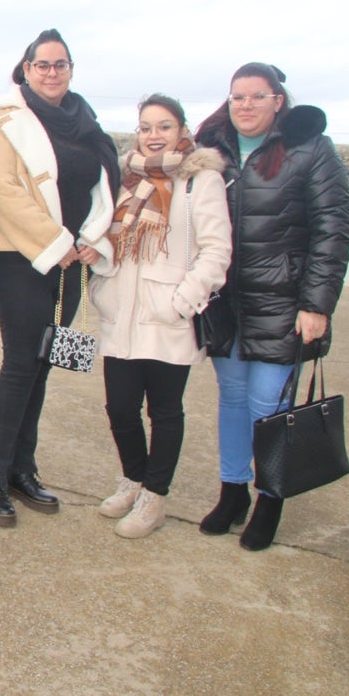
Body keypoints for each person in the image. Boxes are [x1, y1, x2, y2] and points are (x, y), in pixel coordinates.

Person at [193, 63, 349, 550]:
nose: (245, 105)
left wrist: (317, 304)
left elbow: (333, 229)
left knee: (269, 405)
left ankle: (269, 498)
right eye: (237, 96)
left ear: (277, 100)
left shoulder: (311, 150)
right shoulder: (213, 151)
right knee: (233, 400)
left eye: (256, 96)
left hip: (283, 303)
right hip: (227, 303)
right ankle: (232, 490)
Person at [0, 28, 120, 528]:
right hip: (19, 254)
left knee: (45, 361)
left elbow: (104, 187)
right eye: (42, 65)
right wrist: (55, 245)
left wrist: (91, 239)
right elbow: (2, 193)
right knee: (21, 361)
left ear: (71, 69)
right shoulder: (1, 122)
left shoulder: (86, 121)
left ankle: (22, 468)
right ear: (26, 70)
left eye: (60, 64)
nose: (51, 72)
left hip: (73, 259)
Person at [89, 95, 231, 538]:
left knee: (165, 411)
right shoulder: (125, 177)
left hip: (168, 314)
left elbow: (216, 249)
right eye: (146, 127)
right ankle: (133, 478)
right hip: (122, 312)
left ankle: (155, 496)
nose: (154, 136)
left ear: (182, 130)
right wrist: (101, 282)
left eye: (164, 126)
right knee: (121, 408)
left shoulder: (199, 179)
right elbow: (103, 234)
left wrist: (182, 300)